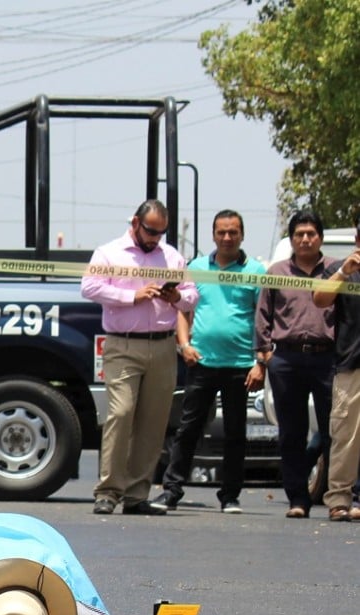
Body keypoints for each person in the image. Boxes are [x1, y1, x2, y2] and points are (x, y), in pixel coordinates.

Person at [80, 199, 199, 515]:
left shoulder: (171, 256)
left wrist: (177, 296)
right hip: (123, 344)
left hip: (162, 345)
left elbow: (192, 295)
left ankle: (136, 494)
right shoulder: (109, 253)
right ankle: (107, 491)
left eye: (161, 233)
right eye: (150, 231)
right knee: (121, 413)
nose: (154, 238)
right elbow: (89, 287)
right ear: (134, 223)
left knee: (153, 420)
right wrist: (131, 296)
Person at [150, 210, 267, 514]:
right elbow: (181, 309)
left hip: (240, 365)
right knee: (188, 430)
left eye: (233, 232)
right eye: (221, 232)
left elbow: (262, 319)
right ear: (213, 235)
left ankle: (229, 496)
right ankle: (171, 491)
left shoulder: (255, 270)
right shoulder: (197, 267)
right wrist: (184, 345)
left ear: (242, 235)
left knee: (234, 433)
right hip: (201, 362)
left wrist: (260, 362)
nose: (227, 238)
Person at [254, 210, 335, 519]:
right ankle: (297, 499)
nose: (305, 239)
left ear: (320, 238)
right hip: (286, 359)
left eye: (311, 234)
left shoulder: (335, 271)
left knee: (333, 431)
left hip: (326, 359)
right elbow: (262, 315)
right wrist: (265, 355)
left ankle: (335, 496)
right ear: (291, 238)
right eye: (299, 234)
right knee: (292, 432)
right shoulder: (276, 271)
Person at [312, 223, 360, 521]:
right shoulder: (342, 269)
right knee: (345, 435)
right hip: (351, 364)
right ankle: (339, 499)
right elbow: (319, 299)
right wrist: (344, 271)